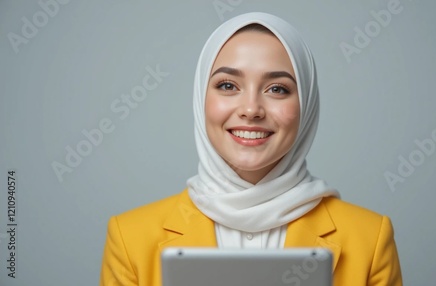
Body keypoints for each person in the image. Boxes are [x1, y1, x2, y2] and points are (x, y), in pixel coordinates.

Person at [99, 12, 402, 286]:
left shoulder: (369, 238)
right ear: (200, 98)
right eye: (228, 85)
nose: (251, 109)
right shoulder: (130, 238)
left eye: (277, 89)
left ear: (307, 105)